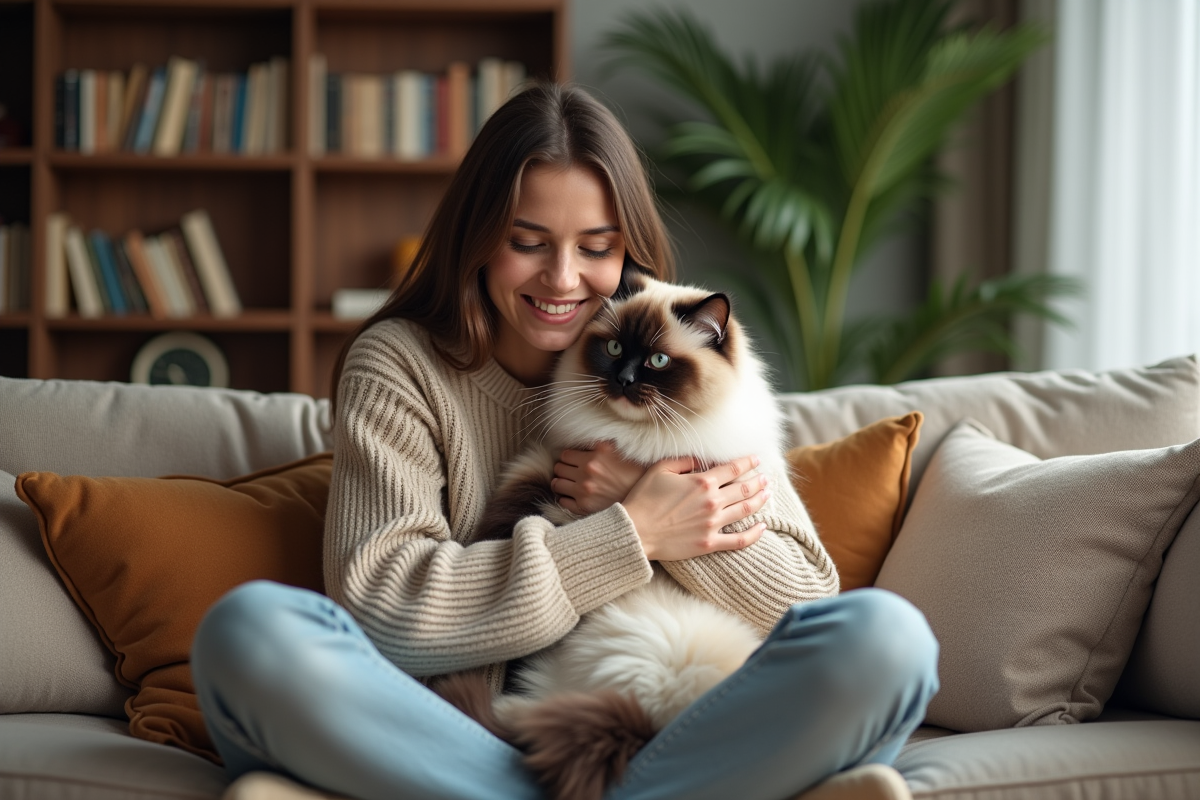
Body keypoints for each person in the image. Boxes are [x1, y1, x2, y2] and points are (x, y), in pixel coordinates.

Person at [191, 82, 938, 800]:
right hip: (472, 731)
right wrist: (631, 530)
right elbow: (383, 605)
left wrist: (674, 525)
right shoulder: (401, 364)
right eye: (527, 242)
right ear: (478, 239)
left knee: (889, 641)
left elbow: (806, 601)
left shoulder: (689, 365)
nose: (563, 278)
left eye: (596, 246)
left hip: (662, 723)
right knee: (250, 634)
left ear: (626, 250)